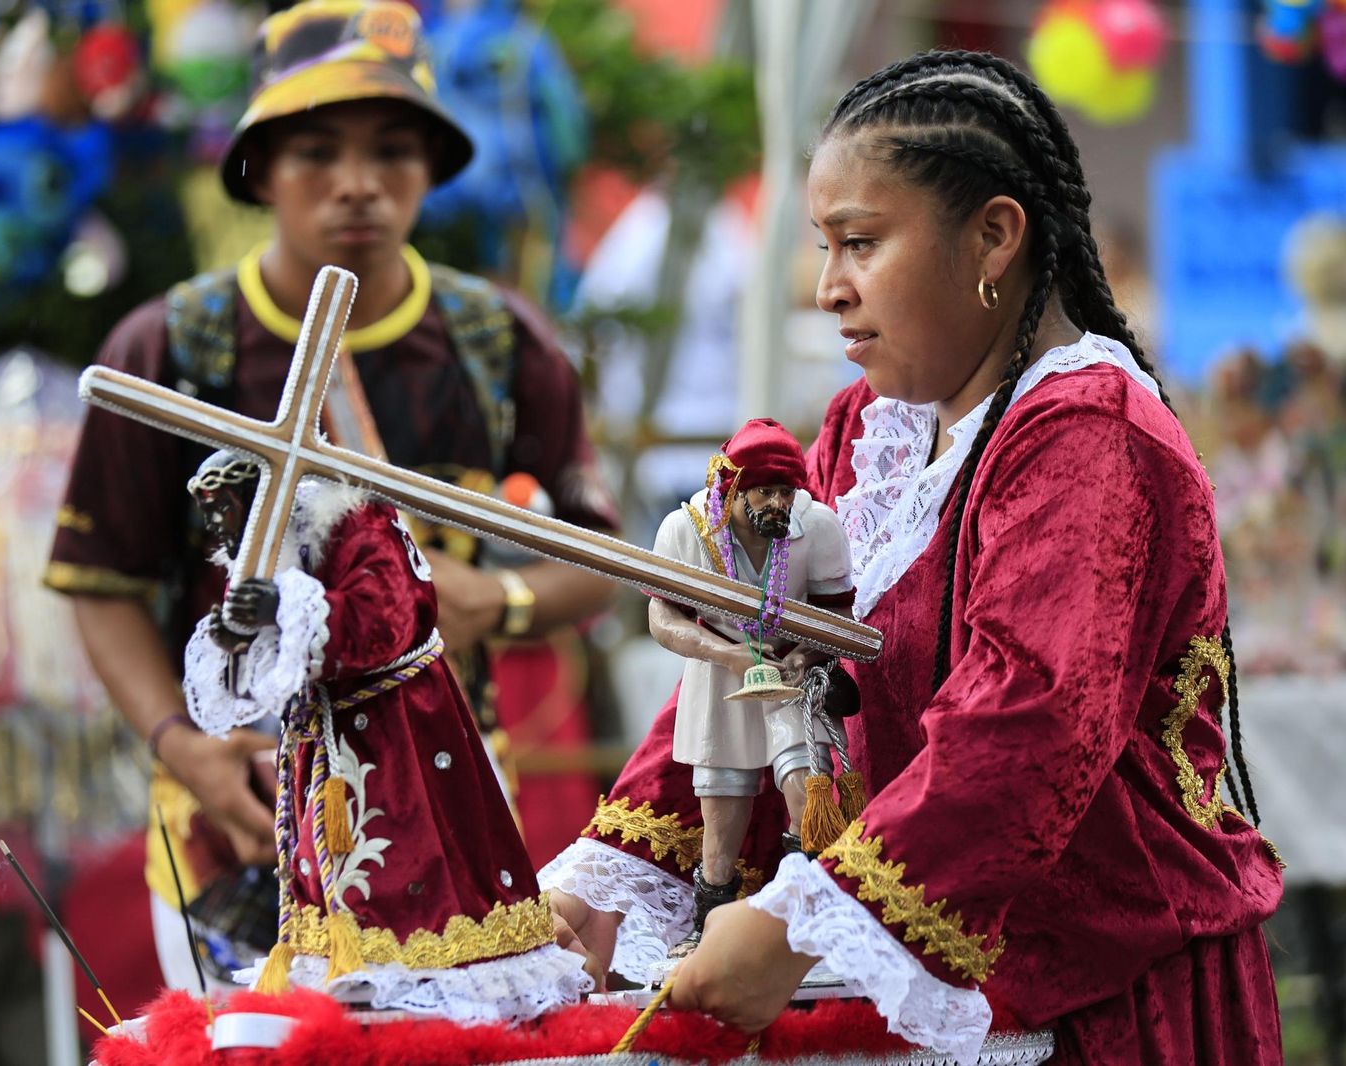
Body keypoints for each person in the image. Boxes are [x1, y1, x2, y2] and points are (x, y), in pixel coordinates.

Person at [548, 51, 1283, 1065]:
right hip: (931, 980)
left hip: (1100, 999)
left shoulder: (1088, 432)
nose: (827, 289)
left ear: (993, 235)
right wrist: (610, 876)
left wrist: (802, 921)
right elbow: (761, 650)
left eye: (859, 243)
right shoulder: (869, 426)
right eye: (822, 246)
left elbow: (1030, 719)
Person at [45, 0, 616, 991]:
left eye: (393, 148)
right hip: (234, 815)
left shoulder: (500, 344)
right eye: (315, 151)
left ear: (432, 166)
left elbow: (598, 556)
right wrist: (185, 746)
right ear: (258, 168)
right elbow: (101, 582)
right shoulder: (171, 352)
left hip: (454, 805)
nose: (357, 183)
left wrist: (504, 601)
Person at [176, 450, 590, 1018]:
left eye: (225, 511)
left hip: (398, 731)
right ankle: (349, 968)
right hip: (328, 738)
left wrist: (286, 607)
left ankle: (429, 976)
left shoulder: (358, 522)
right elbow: (263, 663)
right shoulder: (271, 548)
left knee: (415, 859)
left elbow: (387, 615)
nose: (220, 530)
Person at [646, 417, 857, 958]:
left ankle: (802, 924)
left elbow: (838, 613)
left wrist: (806, 656)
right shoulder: (687, 528)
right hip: (720, 672)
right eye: (764, 491)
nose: (777, 504)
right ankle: (710, 924)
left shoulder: (820, 526)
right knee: (721, 807)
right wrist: (726, 654)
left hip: (791, 671)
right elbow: (662, 618)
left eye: (785, 492)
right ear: (732, 486)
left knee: (807, 790)